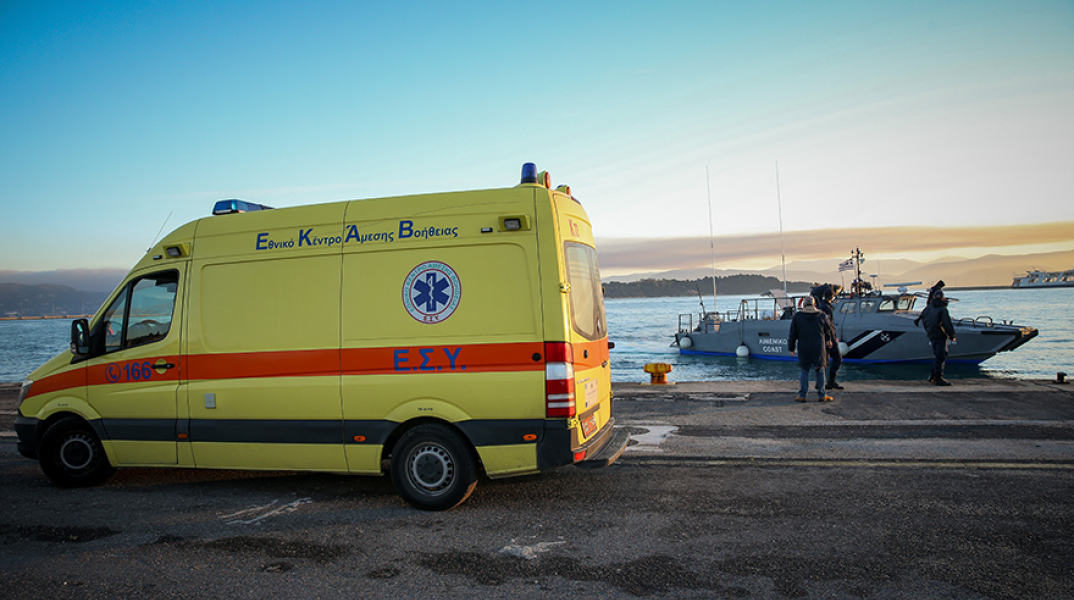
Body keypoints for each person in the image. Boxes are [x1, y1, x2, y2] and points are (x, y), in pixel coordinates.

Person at [788, 295, 836, 402]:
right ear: (814, 304)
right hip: (818, 346)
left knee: (804, 371)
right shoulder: (821, 315)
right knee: (820, 370)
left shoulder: (798, 316)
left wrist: (791, 347)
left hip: (804, 346)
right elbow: (828, 330)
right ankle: (822, 395)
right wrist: (829, 341)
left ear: (803, 305)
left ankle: (803, 395)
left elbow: (793, 334)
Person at [920, 289, 957, 385]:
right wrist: (951, 335)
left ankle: (932, 376)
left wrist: (929, 331)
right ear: (943, 298)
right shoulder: (942, 309)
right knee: (941, 355)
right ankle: (938, 378)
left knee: (937, 355)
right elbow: (946, 323)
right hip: (940, 334)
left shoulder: (927, 309)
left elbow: (923, 321)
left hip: (931, 334)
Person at [813, 284, 844, 390]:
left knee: (825, 361)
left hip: (825, 338)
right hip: (828, 339)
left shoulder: (823, 307)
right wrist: (831, 338)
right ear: (832, 297)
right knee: (837, 358)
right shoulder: (825, 308)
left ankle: (821, 382)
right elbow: (827, 326)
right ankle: (830, 381)